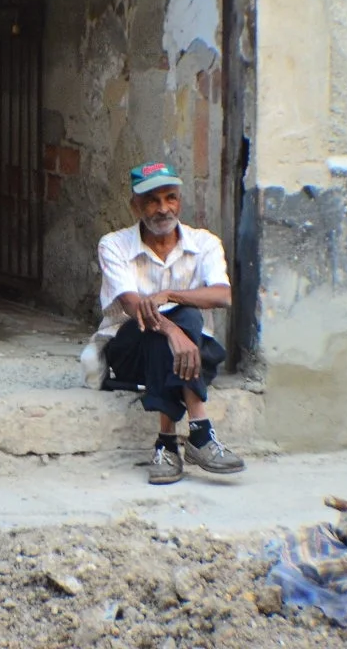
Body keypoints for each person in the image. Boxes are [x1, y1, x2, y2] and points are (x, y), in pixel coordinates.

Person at [79, 161, 246, 485]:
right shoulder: (113, 244)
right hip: (130, 352)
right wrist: (172, 331)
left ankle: (167, 444)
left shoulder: (205, 242)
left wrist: (169, 294)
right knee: (162, 327)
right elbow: (133, 305)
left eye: (170, 198)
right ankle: (201, 433)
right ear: (135, 206)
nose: (163, 208)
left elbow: (223, 295)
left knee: (184, 318)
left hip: (191, 352)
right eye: (152, 201)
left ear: (179, 201)